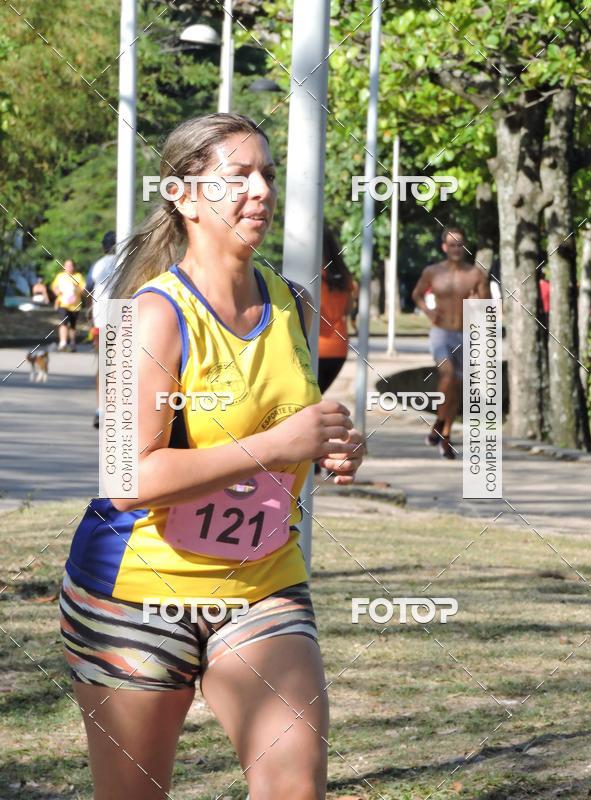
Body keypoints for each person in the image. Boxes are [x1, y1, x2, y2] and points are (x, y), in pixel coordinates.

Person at [58, 113, 365, 800]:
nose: (259, 190)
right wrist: (275, 448)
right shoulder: (149, 317)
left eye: (266, 174)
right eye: (237, 177)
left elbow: (292, 428)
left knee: (295, 788)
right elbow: (128, 475)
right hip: (137, 592)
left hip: (261, 582)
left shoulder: (295, 305)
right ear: (185, 195)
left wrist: (336, 445)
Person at [412, 226, 490, 459]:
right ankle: (443, 430)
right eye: (452, 244)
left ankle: (442, 428)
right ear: (444, 247)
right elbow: (416, 294)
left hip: (465, 334)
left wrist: (478, 303)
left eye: (460, 244)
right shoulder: (432, 272)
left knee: (458, 383)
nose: (456, 249)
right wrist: (428, 311)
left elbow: (487, 306)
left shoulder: (475, 274)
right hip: (441, 332)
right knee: (447, 375)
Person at [317, 226, 354, 395]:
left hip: (314, 347)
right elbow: (348, 309)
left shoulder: (310, 275)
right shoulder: (345, 276)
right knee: (314, 400)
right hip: (338, 349)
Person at [86, 231, 117, 428]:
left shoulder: (97, 265)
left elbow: (88, 288)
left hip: (101, 320)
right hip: (125, 318)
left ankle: (101, 410)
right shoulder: (129, 261)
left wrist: (90, 315)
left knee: (103, 366)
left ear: (102, 247)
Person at [51, 258, 85, 351]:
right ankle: (63, 343)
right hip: (63, 304)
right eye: (66, 266)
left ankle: (72, 343)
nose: (68, 267)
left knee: (73, 325)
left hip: (75, 305)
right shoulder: (60, 276)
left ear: (73, 267)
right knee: (64, 322)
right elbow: (54, 287)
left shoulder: (78, 276)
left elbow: (83, 290)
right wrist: (57, 291)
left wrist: (75, 288)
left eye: (70, 265)